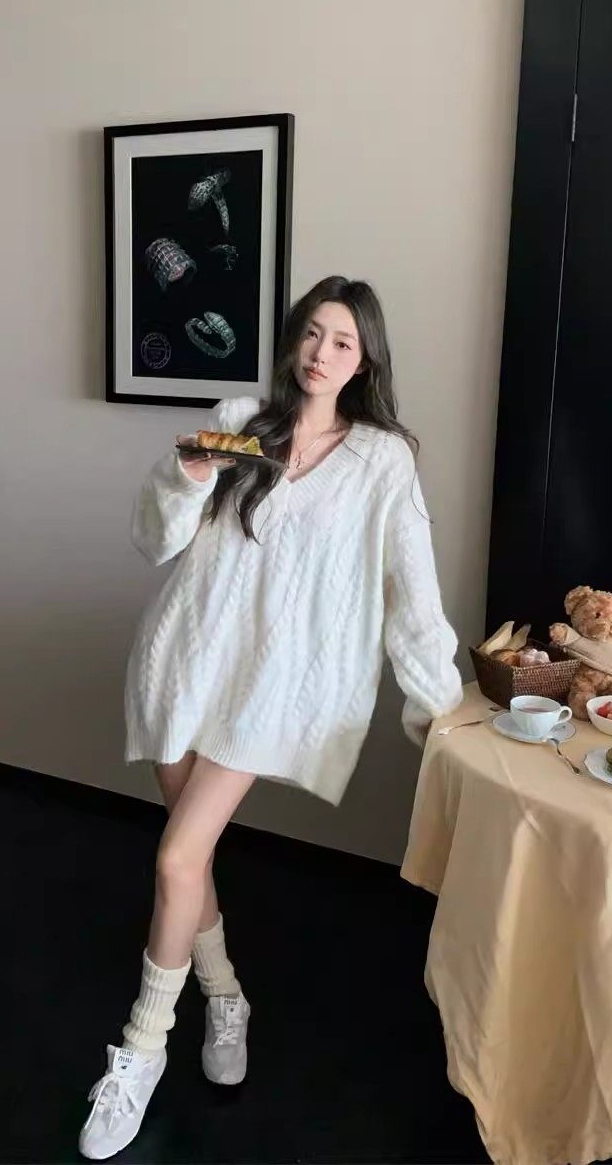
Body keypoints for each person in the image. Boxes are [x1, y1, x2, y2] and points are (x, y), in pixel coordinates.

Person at [78, 275, 463, 1159]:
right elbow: (157, 539)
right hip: (183, 661)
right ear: (294, 339)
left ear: (364, 361)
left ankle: (140, 1049)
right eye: (313, 333)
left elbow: (412, 589)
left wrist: (437, 704)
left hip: (271, 685)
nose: (322, 353)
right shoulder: (241, 418)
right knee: (192, 857)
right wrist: (183, 474)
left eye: (343, 342)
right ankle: (226, 995)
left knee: (175, 856)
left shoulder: (383, 459)